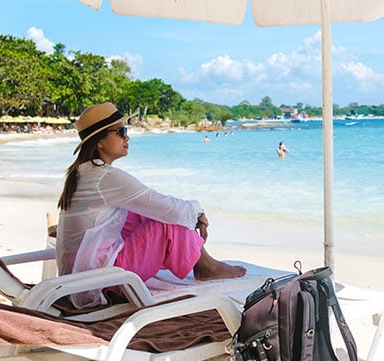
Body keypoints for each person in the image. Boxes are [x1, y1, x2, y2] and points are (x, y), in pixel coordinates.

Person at [56, 103, 245, 306]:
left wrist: (190, 212)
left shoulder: (83, 172)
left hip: (82, 275)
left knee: (142, 212)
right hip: (101, 282)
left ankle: (201, 260)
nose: (127, 137)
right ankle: (206, 266)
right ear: (100, 142)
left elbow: (151, 204)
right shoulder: (104, 177)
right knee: (166, 220)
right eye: (121, 132)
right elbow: (167, 209)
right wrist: (198, 211)